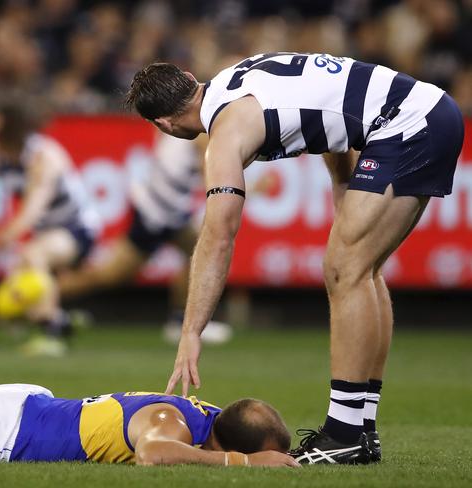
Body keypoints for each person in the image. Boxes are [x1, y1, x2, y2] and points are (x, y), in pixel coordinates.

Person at [124, 52, 464, 464]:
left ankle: (343, 433)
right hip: (423, 110)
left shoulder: (224, 136)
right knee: (361, 270)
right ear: (191, 78)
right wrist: (343, 181)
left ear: (162, 125)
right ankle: (360, 427)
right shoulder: (236, 76)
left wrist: (191, 330)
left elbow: (217, 236)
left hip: (407, 124)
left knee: (344, 270)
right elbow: (329, 106)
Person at [0, 383, 298, 467]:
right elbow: (154, 455)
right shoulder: (171, 426)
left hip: (20, 414)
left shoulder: (207, 419)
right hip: (1, 433)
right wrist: (248, 463)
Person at [0, 91, 100, 356]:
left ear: (10, 122)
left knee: (33, 256)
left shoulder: (42, 155)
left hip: (76, 227)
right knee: (16, 287)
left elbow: (35, 205)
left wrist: (10, 234)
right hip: (48, 229)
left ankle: (52, 334)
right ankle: (62, 319)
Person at [58, 132, 232, 345]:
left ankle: (182, 321)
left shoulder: (181, 126)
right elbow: (216, 180)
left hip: (171, 213)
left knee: (202, 253)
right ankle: (42, 299)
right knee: (107, 276)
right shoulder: (200, 133)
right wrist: (252, 188)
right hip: (157, 216)